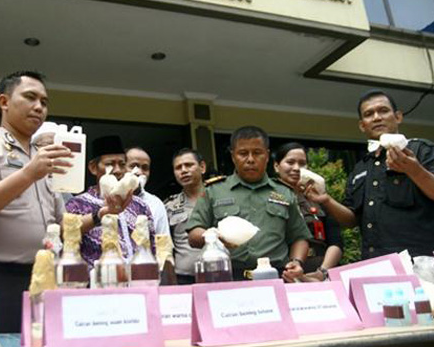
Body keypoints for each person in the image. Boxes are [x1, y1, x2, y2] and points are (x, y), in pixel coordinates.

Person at [0, 70, 72, 333]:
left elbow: (62, 225)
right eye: (30, 97)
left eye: (44, 101)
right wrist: (28, 173)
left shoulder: (42, 158)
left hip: (43, 276)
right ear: (4, 102)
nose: (39, 107)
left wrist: (103, 214)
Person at [305, 90, 434, 259]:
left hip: (419, 265)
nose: (376, 117)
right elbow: (351, 221)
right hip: (374, 264)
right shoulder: (360, 168)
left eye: (383, 111)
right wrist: (326, 200)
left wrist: (413, 169)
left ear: (398, 117)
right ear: (362, 125)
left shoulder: (420, 150)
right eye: (369, 114)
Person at [186, 126, 311, 282]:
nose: (250, 159)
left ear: (267, 155)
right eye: (243, 153)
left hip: (276, 277)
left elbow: (299, 236)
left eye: (257, 153)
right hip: (228, 278)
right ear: (233, 156)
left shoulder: (284, 192)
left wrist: (296, 262)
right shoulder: (214, 191)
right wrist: (213, 236)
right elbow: (194, 234)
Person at [65, 135, 155, 266]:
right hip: (95, 281)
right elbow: (66, 235)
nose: (117, 170)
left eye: (122, 164)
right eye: (109, 164)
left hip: (138, 281)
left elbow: (152, 246)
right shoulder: (77, 204)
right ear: (93, 168)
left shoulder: (140, 205)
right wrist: (99, 215)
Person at [273, 143, 343, 281]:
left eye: (302, 164)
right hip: (286, 273)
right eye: (290, 162)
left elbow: (336, 242)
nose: (296, 168)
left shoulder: (317, 197)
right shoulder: (269, 197)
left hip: (320, 272)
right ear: (276, 166)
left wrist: (322, 271)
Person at [164, 148, 206, 284]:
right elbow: (165, 246)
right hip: (183, 278)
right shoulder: (169, 206)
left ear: (202, 167)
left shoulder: (219, 199)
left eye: (189, 165)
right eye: (178, 167)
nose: (183, 170)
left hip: (218, 273)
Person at [125, 146, 170, 235]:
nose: (139, 172)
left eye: (145, 168)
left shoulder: (156, 204)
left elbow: (163, 243)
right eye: (133, 166)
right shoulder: (107, 200)